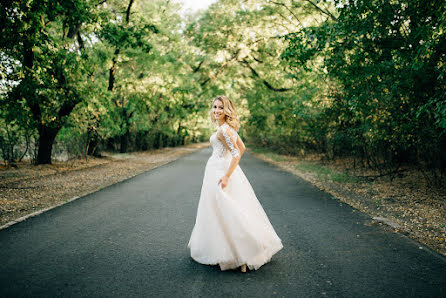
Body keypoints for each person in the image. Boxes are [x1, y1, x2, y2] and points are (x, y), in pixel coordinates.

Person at [187, 95, 283, 272]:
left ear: (227, 110)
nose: (216, 110)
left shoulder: (224, 130)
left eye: (220, 108)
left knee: (225, 210)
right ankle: (240, 253)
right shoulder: (227, 128)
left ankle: (243, 253)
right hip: (218, 169)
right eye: (215, 107)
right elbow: (242, 147)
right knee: (223, 209)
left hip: (220, 172)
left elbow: (236, 153)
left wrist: (226, 176)